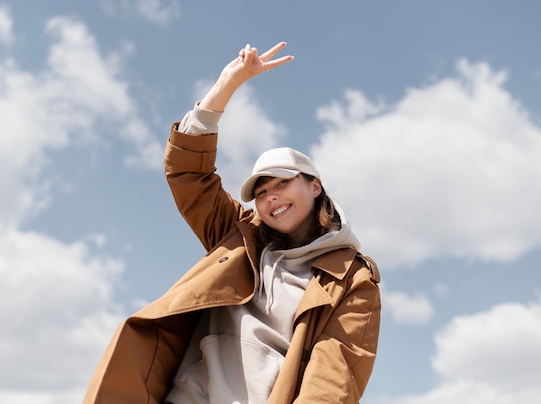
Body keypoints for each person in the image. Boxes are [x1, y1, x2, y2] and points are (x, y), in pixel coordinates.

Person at [84, 42, 381, 404]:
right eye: (262, 191)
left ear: (315, 185)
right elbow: (188, 173)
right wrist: (228, 82)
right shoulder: (238, 235)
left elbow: (334, 378)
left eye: (282, 183)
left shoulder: (353, 279)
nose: (271, 196)